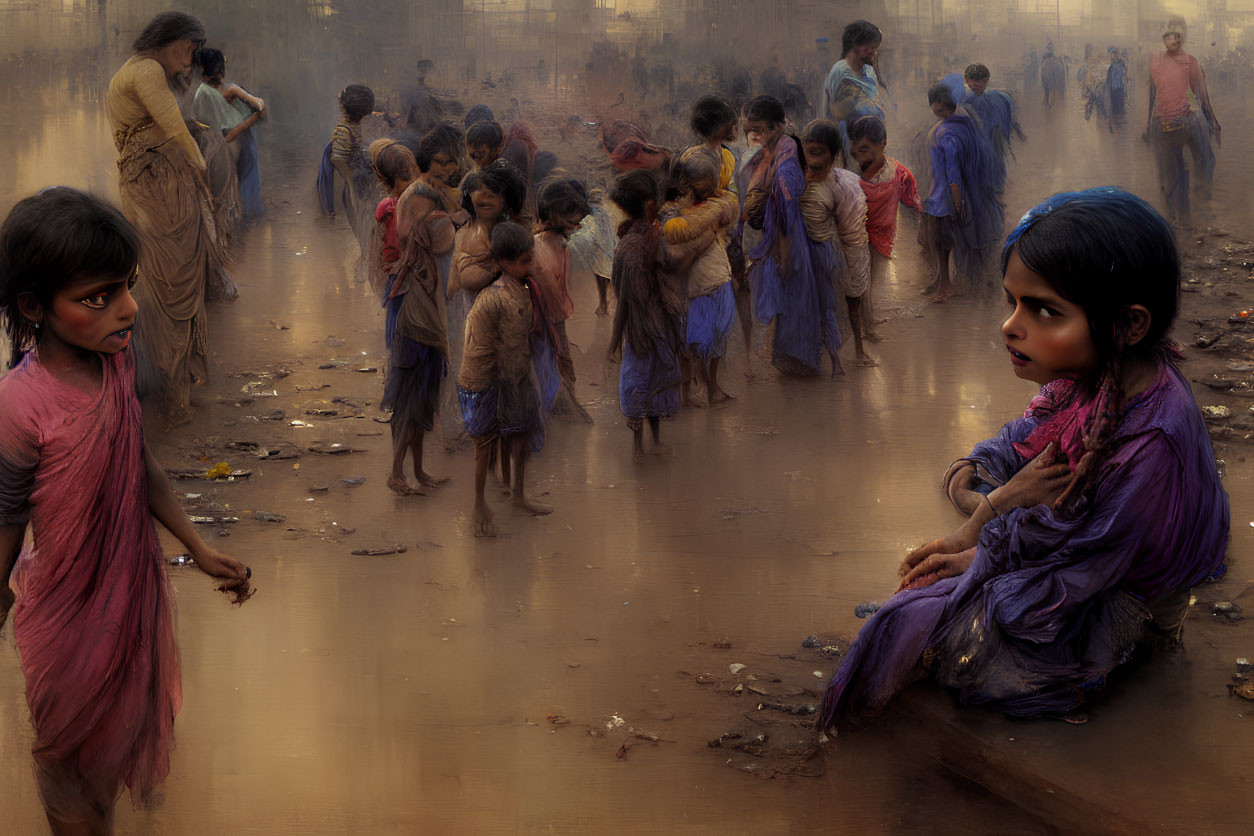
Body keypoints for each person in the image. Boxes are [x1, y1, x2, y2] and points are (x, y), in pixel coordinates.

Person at [819, 187, 1229, 731]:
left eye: (1044, 311)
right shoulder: (1096, 377)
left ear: (1129, 324)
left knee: (962, 639)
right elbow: (1020, 437)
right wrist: (985, 501)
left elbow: (1080, 557)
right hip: (1073, 549)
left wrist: (978, 537)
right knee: (929, 601)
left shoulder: (1153, 441)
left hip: (1125, 595)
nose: (1010, 325)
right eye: (1013, 302)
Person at [0, 187, 251, 834]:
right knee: (64, 762)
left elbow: (138, 463)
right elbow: (5, 519)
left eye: (128, 287)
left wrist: (198, 548)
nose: (129, 308)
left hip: (129, 594)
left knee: (104, 764)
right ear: (33, 307)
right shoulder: (20, 405)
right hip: (62, 611)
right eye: (99, 297)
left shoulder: (113, 366)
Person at [106, 11, 225, 427]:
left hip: (154, 184)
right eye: (188, 49)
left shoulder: (137, 72)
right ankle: (174, 395)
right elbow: (172, 125)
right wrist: (199, 163)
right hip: (160, 187)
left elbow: (173, 121)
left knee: (168, 281)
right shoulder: (146, 72)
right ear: (167, 40)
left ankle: (173, 389)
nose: (191, 60)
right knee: (172, 283)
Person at [458, 222, 559, 536]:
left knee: (519, 436)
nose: (532, 265)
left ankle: (518, 495)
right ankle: (478, 505)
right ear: (504, 263)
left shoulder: (522, 288)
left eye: (531, 259)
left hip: (514, 374)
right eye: (525, 261)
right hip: (486, 380)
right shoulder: (495, 298)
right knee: (485, 445)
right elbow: (487, 349)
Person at [742, 95, 840, 377]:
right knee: (792, 303)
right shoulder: (781, 149)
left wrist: (783, 256)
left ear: (776, 127)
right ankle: (793, 366)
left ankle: (801, 367)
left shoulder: (785, 164)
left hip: (789, 241)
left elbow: (785, 215)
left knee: (792, 301)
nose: (755, 136)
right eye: (751, 130)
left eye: (759, 129)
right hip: (786, 236)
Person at [381, 165, 457, 497]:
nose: (425, 224)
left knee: (423, 406)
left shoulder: (426, 257)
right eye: (418, 217)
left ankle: (418, 471)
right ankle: (396, 473)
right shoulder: (416, 258)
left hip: (427, 334)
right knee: (409, 408)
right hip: (416, 334)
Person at [445, 160, 528, 447]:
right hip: (472, 312)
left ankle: (504, 432)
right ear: (469, 199)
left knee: (507, 371)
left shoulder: (511, 232)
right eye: (479, 194)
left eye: (493, 193)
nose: (486, 198)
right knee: (478, 369)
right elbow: (462, 281)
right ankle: (481, 431)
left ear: (505, 198)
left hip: (506, 314)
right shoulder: (465, 233)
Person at [608, 170, 684, 463]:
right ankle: (639, 447)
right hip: (645, 327)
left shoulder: (645, 237)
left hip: (654, 324)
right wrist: (617, 336)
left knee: (651, 382)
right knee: (641, 382)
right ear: (650, 204)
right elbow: (628, 297)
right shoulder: (634, 245)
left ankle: (651, 442)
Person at [660, 147, 738, 404]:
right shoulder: (674, 211)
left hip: (718, 279)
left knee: (717, 338)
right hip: (695, 286)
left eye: (710, 185)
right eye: (700, 187)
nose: (707, 191)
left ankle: (711, 387)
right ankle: (688, 392)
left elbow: (726, 219)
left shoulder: (719, 204)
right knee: (692, 341)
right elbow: (674, 235)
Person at [920, 83, 1005, 303]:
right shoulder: (963, 123)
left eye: (940, 111)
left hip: (945, 197)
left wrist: (957, 201)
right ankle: (943, 280)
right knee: (942, 242)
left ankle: (945, 287)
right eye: (935, 110)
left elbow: (953, 172)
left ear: (948, 107)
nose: (937, 114)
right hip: (942, 192)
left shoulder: (948, 132)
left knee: (942, 243)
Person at [800, 119, 874, 367]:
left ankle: (858, 350)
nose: (811, 159)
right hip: (809, 253)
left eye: (818, 152)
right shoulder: (799, 180)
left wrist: (841, 259)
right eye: (807, 151)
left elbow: (852, 233)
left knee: (851, 303)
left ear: (833, 155)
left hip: (842, 252)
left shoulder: (846, 184)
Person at [1145, 20, 1220, 228]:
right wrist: (1147, 124)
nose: (1172, 39)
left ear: (1181, 39)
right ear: (1164, 39)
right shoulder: (1155, 61)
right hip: (1164, 123)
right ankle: (1180, 214)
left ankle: (1190, 210)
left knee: (1186, 167)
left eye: (1176, 36)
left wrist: (1212, 120)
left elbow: (1201, 94)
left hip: (1183, 121)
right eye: (1169, 36)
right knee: (1173, 171)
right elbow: (1153, 94)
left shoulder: (1190, 62)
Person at [848, 116, 920, 332]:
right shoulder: (851, 175)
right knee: (862, 280)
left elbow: (912, 199)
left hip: (883, 236)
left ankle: (866, 320)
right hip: (856, 234)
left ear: (882, 145)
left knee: (872, 278)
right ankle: (867, 325)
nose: (862, 154)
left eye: (867, 148)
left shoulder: (897, 171)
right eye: (858, 148)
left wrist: (920, 218)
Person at [534, 180, 593, 422]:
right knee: (551, 366)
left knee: (560, 364)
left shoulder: (558, 241)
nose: (576, 224)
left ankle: (562, 409)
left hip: (554, 318)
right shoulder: (540, 245)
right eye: (571, 219)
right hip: (543, 321)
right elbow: (544, 286)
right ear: (552, 213)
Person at [193, 47, 265, 223]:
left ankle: (246, 217)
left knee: (240, 181)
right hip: (224, 140)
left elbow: (259, 107)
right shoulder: (210, 91)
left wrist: (236, 130)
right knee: (230, 182)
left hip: (231, 139)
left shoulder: (220, 90)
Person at [324, 84, 378, 258]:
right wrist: (351, 185)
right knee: (365, 236)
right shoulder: (343, 131)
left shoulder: (352, 126)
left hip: (361, 187)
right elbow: (337, 158)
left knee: (369, 234)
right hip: (354, 189)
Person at [823, 20, 885, 172]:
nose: (873, 52)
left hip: (872, 140)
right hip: (848, 141)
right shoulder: (840, 71)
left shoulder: (868, 71)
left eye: (875, 48)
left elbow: (876, 100)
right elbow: (834, 111)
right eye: (870, 47)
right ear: (854, 45)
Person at [962, 63, 1026, 168]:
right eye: (970, 80)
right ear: (966, 80)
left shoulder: (997, 100)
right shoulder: (965, 101)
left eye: (977, 81)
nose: (973, 84)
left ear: (986, 80)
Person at [568, 185, 618, 317]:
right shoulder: (591, 211)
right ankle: (603, 303)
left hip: (603, 248)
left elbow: (600, 232)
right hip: (599, 248)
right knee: (601, 274)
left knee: (603, 274)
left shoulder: (599, 212)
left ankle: (604, 304)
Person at [1040, 40, 1066, 109]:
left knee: (1043, 71)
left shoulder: (1046, 50)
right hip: (1052, 57)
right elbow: (1051, 53)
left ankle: (1047, 100)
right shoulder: (1050, 49)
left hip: (1049, 58)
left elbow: (1048, 53)